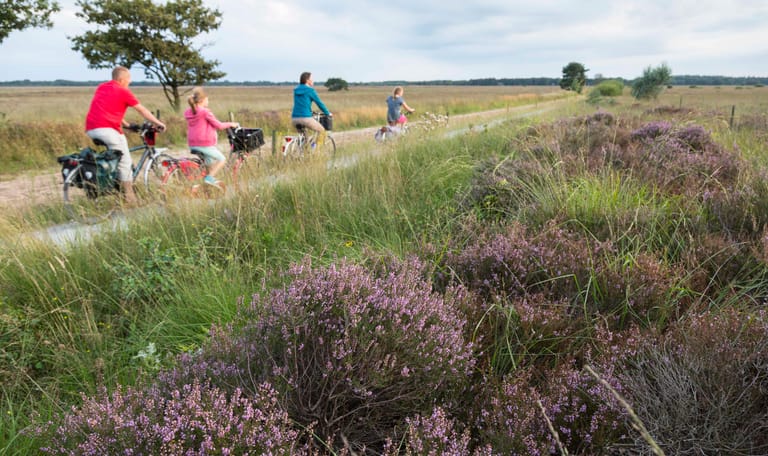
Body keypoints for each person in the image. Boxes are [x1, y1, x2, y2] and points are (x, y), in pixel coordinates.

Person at [85, 66, 166, 206]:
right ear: (122, 80)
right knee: (125, 162)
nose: (129, 82)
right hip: (107, 130)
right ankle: (130, 198)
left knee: (116, 157)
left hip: (92, 128)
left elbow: (108, 109)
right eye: (129, 80)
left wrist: (127, 125)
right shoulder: (123, 91)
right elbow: (142, 110)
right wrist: (159, 123)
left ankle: (116, 187)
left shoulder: (102, 87)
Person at [184, 86, 239, 188]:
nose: (208, 100)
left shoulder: (189, 112)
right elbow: (219, 125)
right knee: (222, 159)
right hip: (204, 144)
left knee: (209, 163)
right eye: (207, 98)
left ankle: (207, 186)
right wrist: (231, 124)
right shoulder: (205, 112)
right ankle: (208, 179)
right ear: (202, 100)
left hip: (192, 143)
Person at [291, 72, 332, 145]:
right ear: (307, 80)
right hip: (305, 118)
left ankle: (304, 153)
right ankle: (315, 150)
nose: (313, 81)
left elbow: (302, 103)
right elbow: (320, 103)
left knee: (304, 137)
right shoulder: (310, 90)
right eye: (311, 79)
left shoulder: (296, 90)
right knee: (322, 131)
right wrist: (327, 113)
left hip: (294, 118)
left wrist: (310, 111)